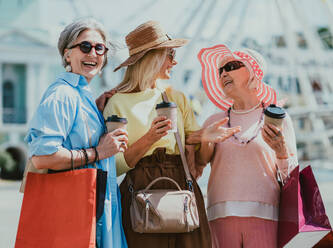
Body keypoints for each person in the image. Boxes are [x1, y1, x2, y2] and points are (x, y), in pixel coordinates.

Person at [103, 21, 239, 248]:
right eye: (170, 54)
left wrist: (204, 137)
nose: (175, 61)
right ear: (151, 57)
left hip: (181, 189)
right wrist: (149, 139)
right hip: (139, 194)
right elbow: (114, 166)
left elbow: (197, 154)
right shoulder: (116, 103)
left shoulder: (177, 98)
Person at [24, 19, 128, 248]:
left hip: (92, 208)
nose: (93, 52)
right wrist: (98, 152)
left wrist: (97, 111)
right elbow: (43, 157)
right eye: (85, 46)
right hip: (75, 212)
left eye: (99, 47)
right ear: (67, 54)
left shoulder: (82, 96)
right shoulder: (63, 94)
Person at [188, 44, 298, 248]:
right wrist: (205, 138)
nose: (223, 74)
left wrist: (281, 151)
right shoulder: (215, 120)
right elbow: (198, 167)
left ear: (253, 71)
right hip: (219, 215)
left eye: (231, 66)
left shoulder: (278, 119)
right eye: (220, 70)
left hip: (265, 215)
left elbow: (292, 176)